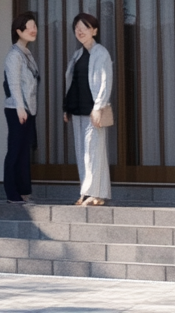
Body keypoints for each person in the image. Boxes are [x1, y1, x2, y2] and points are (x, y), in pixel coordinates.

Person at [63, 12, 112, 206]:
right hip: (77, 109)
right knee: (82, 152)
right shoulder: (77, 55)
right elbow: (72, 83)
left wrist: (99, 106)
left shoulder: (101, 53)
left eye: (84, 27)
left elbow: (105, 82)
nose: (79, 31)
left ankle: (95, 193)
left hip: (94, 110)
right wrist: (66, 108)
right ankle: (88, 192)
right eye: (77, 27)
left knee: (94, 151)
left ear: (94, 30)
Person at [3, 11, 40, 203]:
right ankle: (12, 193)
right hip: (17, 109)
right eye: (30, 27)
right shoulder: (14, 56)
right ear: (19, 31)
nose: (34, 30)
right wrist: (19, 108)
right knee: (15, 150)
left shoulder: (27, 53)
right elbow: (14, 83)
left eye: (35, 26)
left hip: (28, 109)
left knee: (25, 151)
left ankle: (24, 191)